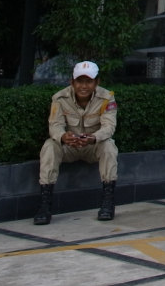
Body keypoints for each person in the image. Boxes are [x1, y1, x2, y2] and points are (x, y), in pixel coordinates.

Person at [34, 60, 119, 225]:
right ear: (72, 81)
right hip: (69, 146)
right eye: (80, 81)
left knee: (109, 146)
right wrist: (63, 137)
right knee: (49, 146)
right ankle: (45, 205)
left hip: (92, 146)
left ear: (97, 82)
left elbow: (109, 127)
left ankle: (107, 202)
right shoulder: (59, 98)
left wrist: (93, 137)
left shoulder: (107, 98)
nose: (84, 86)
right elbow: (55, 125)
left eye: (89, 81)